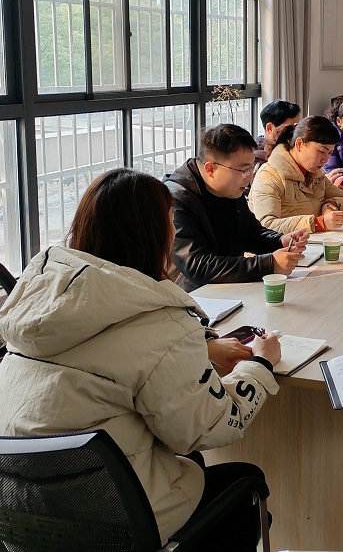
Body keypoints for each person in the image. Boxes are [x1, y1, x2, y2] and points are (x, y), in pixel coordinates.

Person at [0, 169, 281, 550]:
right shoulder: (158, 322)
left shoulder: (38, 304)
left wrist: (195, 347)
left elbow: (105, 356)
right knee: (239, 481)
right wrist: (259, 366)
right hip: (117, 525)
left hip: (24, 520)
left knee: (188, 462)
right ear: (151, 233)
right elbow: (209, 429)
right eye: (169, 221)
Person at [167, 124, 308, 293]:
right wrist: (269, 264)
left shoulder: (229, 188)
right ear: (210, 168)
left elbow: (250, 233)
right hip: (193, 296)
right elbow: (197, 266)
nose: (250, 177)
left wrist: (279, 241)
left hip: (230, 288)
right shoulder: (176, 200)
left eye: (251, 168)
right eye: (243, 170)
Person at [249, 116, 343, 234]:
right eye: (321, 151)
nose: (325, 159)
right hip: (283, 245)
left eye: (330, 153)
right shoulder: (269, 175)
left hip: (312, 241)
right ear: (299, 144)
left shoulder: (316, 175)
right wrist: (318, 223)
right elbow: (265, 225)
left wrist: (329, 204)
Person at [253, 100, 301, 167]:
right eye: (289, 129)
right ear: (270, 128)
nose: (296, 133)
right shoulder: (254, 162)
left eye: (297, 127)